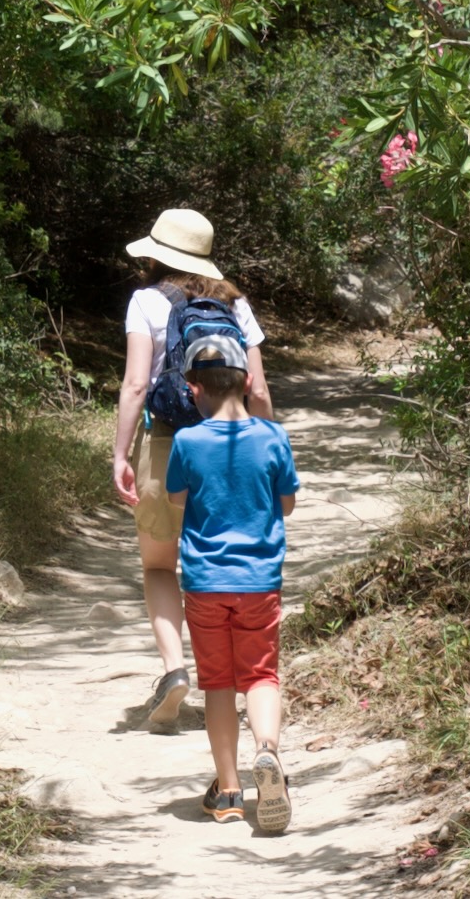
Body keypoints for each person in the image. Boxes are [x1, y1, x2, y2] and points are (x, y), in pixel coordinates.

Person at [113, 208, 275, 728]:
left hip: (166, 443)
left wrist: (120, 453)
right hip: (231, 451)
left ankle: (175, 670)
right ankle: (242, 683)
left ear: (156, 253)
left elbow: (137, 384)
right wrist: (268, 448)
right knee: (223, 568)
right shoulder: (235, 303)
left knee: (160, 566)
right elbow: (259, 390)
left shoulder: (146, 301)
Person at [164, 331, 298, 833]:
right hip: (259, 582)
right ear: (245, 382)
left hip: (204, 584)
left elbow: (177, 500)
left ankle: (229, 792)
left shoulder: (187, 441)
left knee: (218, 684)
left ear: (194, 388)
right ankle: (268, 754)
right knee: (261, 675)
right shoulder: (273, 437)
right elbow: (286, 503)